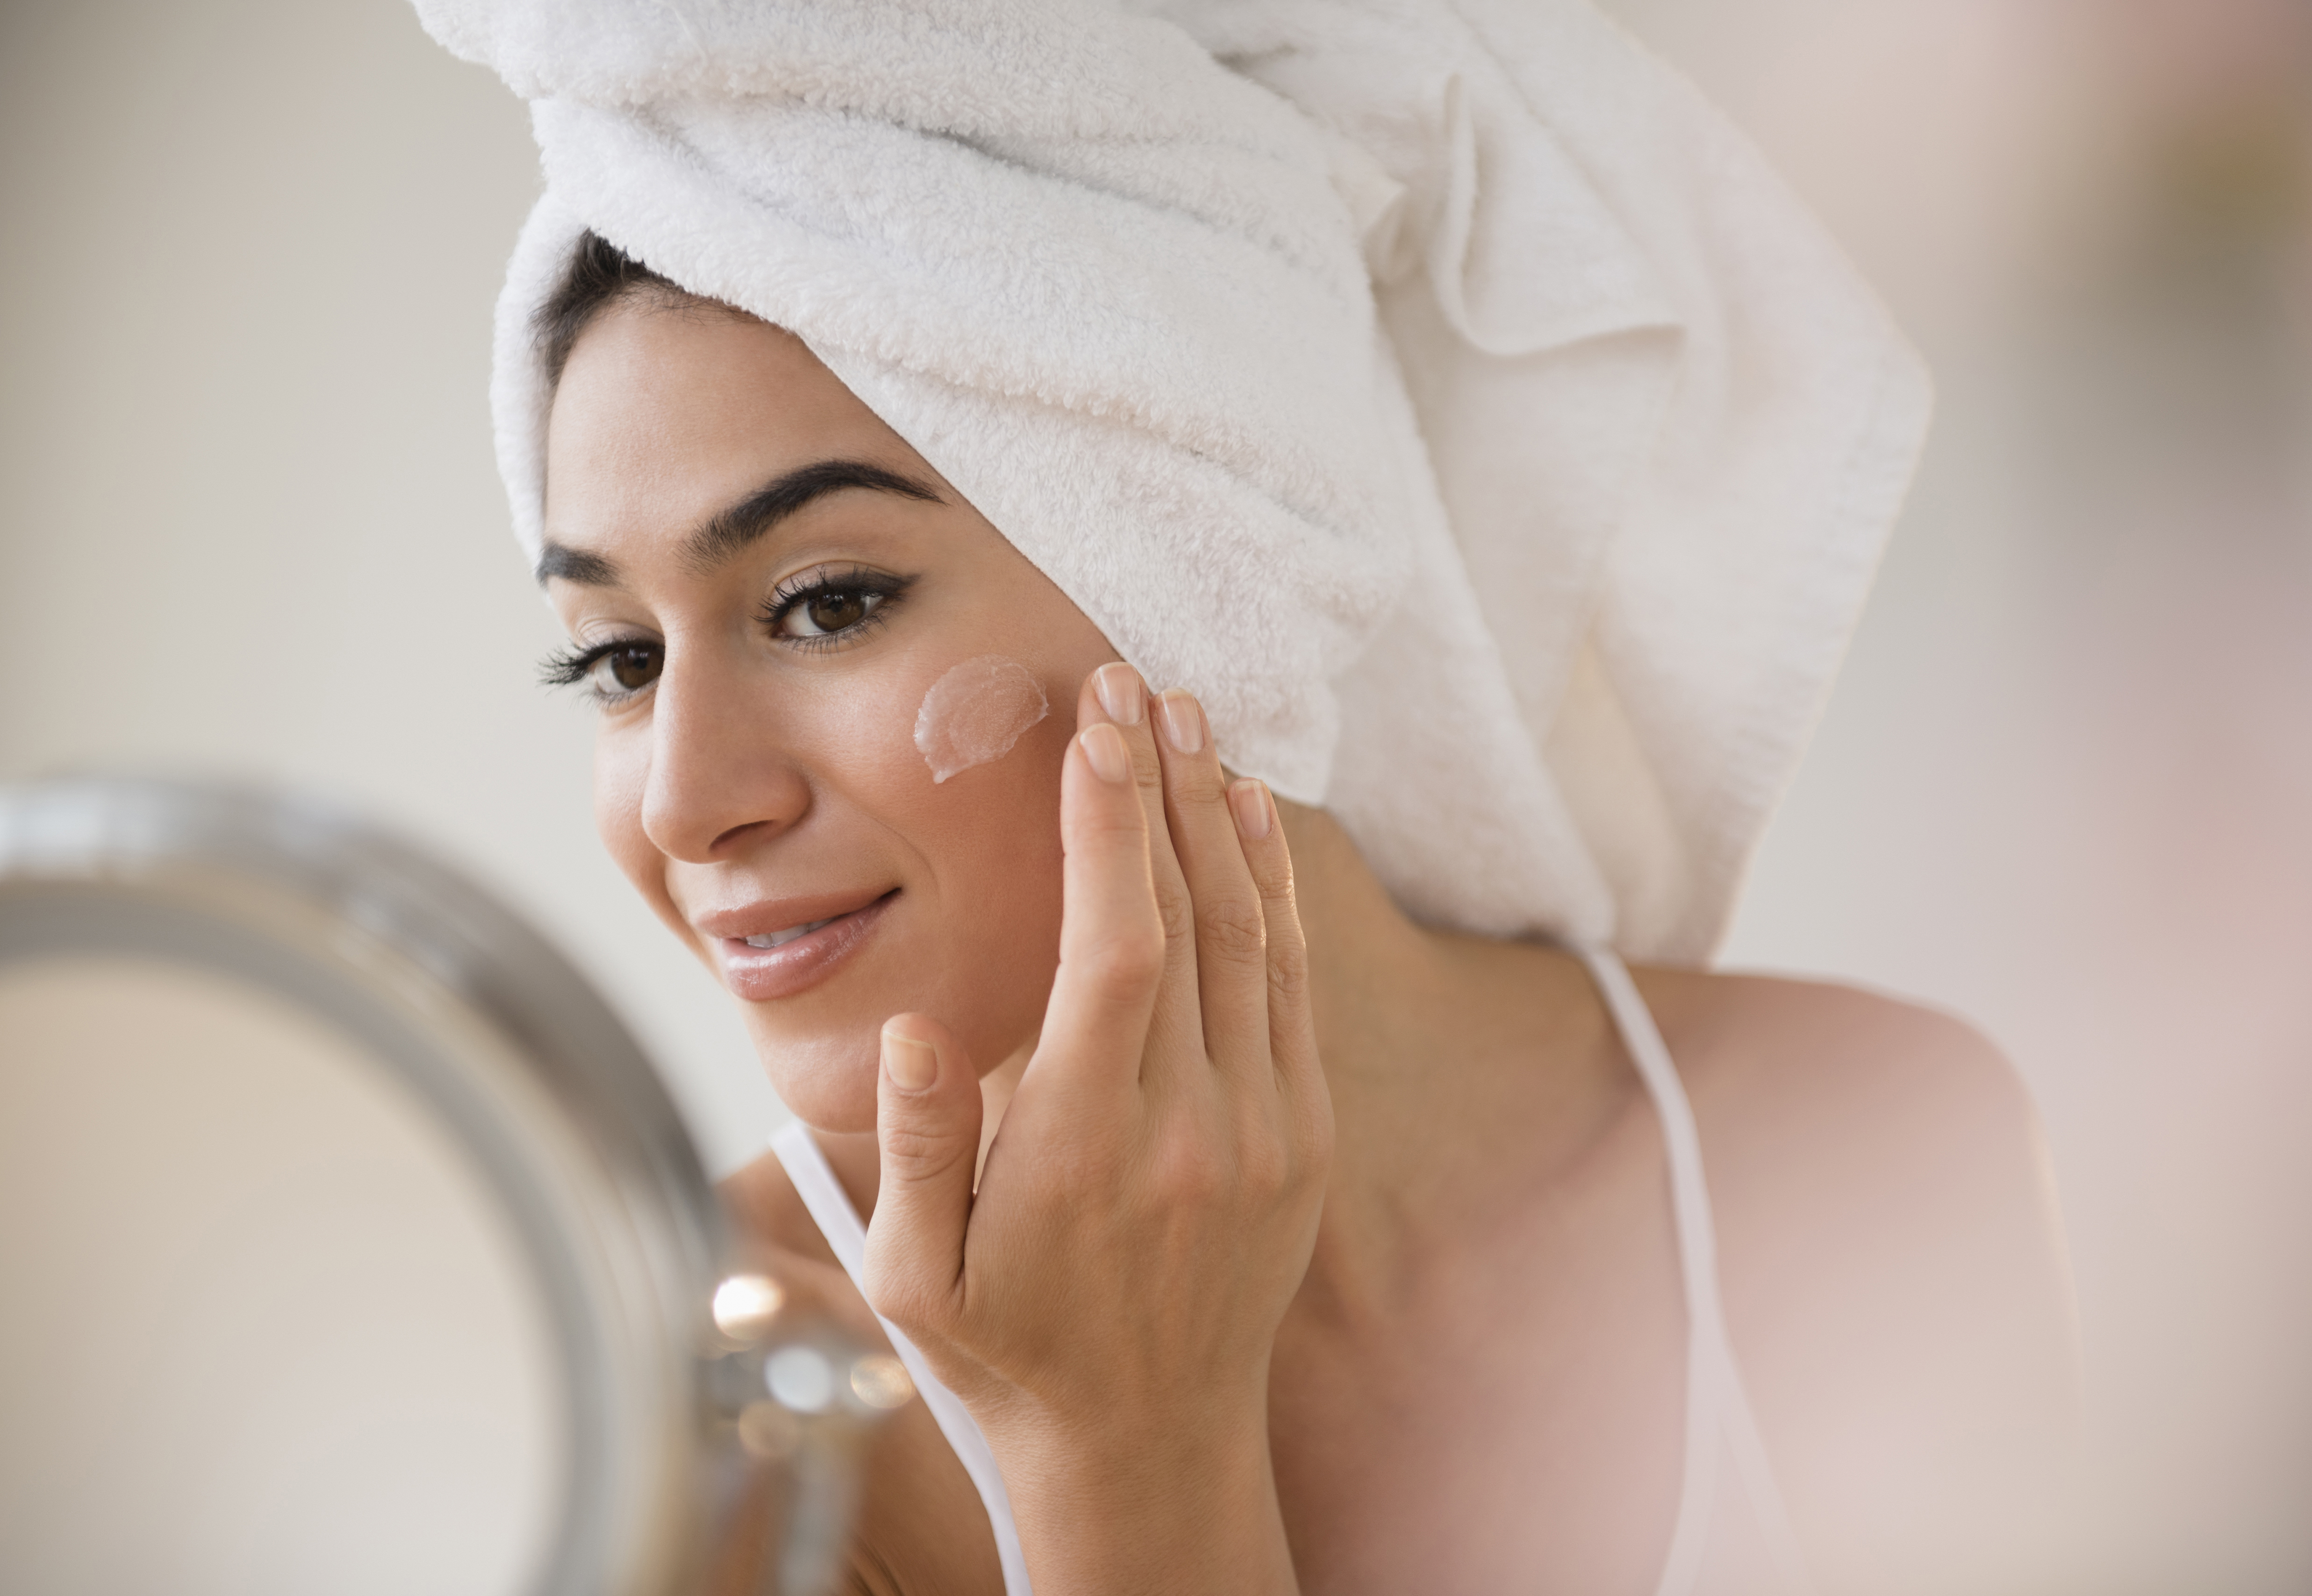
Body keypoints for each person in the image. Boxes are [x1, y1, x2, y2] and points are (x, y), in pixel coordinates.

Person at [422, 2, 2079, 1591]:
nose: (689, 803)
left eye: (828, 602)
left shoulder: (1858, 1153)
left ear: (1209, 580)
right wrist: (1116, 1451)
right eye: (618, 661)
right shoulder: (707, 1405)